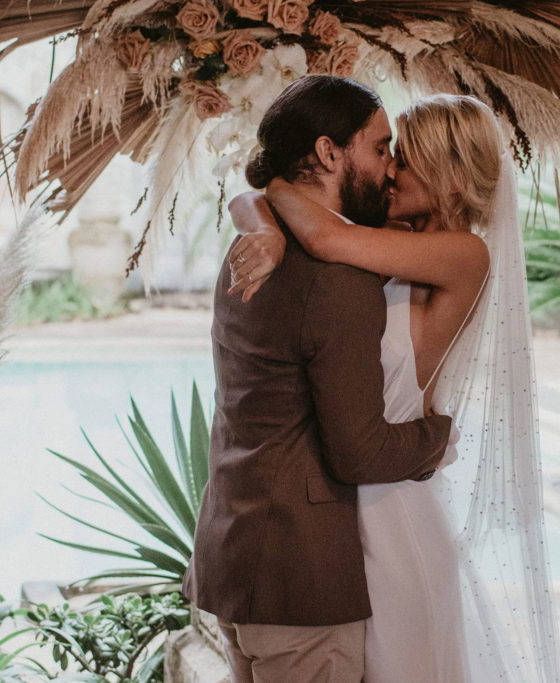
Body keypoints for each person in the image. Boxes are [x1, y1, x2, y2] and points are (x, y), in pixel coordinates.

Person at [228, 91, 560, 681]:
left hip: (391, 503)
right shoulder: (378, 234)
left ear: (452, 178)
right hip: (334, 501)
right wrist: (267, 221)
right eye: (389, 152)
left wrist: (274, 195)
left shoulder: (464, 255)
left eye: (404, 158)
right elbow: (246, 200)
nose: (389, 168)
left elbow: (323, 238)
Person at [181, 75, 457, 682]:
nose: (389, 168)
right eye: (381, 148)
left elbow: (258, 198)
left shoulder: (249, 250)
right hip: (299, 583)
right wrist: (439, 435)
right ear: (331, 153)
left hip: (233, 553)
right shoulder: (336, 280)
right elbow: (360, 452)